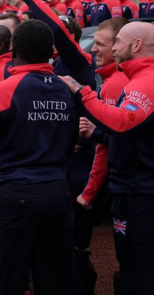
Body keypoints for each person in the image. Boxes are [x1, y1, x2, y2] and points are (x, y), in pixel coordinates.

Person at [0, 20, 81, 295]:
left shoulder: (2, 90)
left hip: (7, 194)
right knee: (56, 278)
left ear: (14, 50)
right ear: (51, 52)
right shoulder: (68, 89)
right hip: (56, 191)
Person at [60, 21, 154, 295]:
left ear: (136, 45)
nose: (113, 48)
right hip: (135, 187)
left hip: (141, 191)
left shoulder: (146, 80)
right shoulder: (139, 77)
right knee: (132, 263)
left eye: (118, 42)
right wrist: (98, 133)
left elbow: (124, 123)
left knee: (138, 267)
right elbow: (136, 134)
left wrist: (82, 93)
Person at [74, 18, 129, 295]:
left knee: (131, 261)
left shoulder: (116, 84)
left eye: (100, 44)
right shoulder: (112, 79)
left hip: (125, 184)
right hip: (126, 182)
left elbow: (105, 147)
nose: (94, 49)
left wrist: (89, 192)